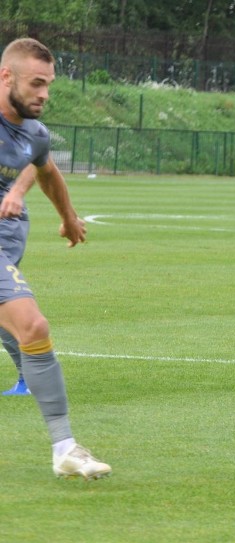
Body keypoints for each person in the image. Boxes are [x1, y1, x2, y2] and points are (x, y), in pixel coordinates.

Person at [0, 37, 111, 479]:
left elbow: (45, 167)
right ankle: (65, 447)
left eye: (48, 85)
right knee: (33, 325)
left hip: (7, 249)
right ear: (6, 77)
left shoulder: (34, 133)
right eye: (35, 83)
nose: (44, 94)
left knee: (21, 330)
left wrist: (69, 217)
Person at [1, 164, 37, 396]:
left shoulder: (16, 131)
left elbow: (39, 159)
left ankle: (33, 376)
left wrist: (17, 192)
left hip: (5, 219)